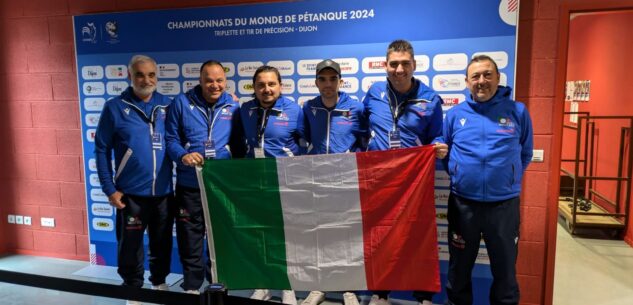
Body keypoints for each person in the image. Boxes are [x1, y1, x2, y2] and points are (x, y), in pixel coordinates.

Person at [442, 55, 533, 305]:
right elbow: (443, 150)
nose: (481, 81)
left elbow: (525, 153)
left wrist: (507, 179)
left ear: (498, 78)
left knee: (505, 274)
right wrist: (460, 173)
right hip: (463, 206)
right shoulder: (455, 114)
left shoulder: (518, 111)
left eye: (487, 75)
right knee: (459, 271)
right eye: (475, 76)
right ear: (466, 82)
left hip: (503, 207)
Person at [363, 39, 447, 305]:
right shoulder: (374, 93)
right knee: (380, 235)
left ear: (414, 65)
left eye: (405, 64)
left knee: (418, 235)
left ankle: (423, 296)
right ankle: (380, 292)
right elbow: (361, 126)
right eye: (394, 64)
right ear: (386, 65)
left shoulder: (430, 98)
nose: (399, 69)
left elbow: (436, 134)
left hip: (414, 181)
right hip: (379, 179)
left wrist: (437, 146)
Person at [94, 55, 175, 305]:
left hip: (163, 193)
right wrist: (109, 189)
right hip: (130, 194)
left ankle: (159, 283)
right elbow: (101, 149)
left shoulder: (168, 105)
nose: (146, 79)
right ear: (129, 76)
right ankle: (133, 292)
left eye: (151, 74)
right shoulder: (115, 107)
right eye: (140, 74)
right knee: (130, 247)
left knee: (161, 243)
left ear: (157, 76)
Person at [165, 60, 245, 294]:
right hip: (190, 184)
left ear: (225, 81)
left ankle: (217, 286)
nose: (214, 85)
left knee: (219, 239)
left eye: (219, 80)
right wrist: (183, 155)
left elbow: (239, 143)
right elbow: (170, 140)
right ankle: (191, 287)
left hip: (221, 186)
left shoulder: (234, 105)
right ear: (200, 80)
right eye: (209, 80)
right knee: (190, 238)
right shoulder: (181, 103)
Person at [300, 59, 365, 305]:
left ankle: (348, 288)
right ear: (316, 82)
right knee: (319, 234)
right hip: (317, 180)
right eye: (323, 79)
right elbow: (302, 138)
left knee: (346, 234)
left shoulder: (356, 108)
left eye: (332, 79)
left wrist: (354, 156)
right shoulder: (309, 107)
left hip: (346, 181)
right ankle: (320, 286)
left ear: (340, 81)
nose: (328, 84)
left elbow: (365, 140)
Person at [241, 65, 302, 305]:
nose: (266, 89)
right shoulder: (245, 110)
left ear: (280, 85)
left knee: (287, 236)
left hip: (285, 181)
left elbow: (305, 143)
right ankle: (263, 284)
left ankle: (288, 286)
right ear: (254, 88)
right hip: (255, 181)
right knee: (260, 235)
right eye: (261, 85)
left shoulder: (295, 110)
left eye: (271, 84)